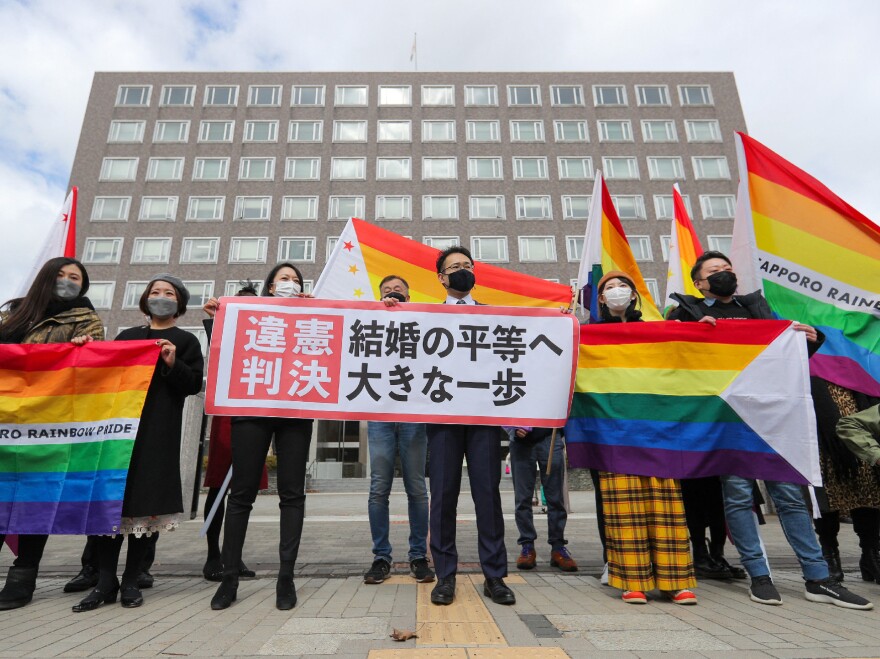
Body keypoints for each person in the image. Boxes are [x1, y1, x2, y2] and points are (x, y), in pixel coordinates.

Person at [669, 251, 872, 609]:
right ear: (699, 283)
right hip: (727, 420)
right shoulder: (686, 313)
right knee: (737, 496)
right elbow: (673, 359)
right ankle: (759, 576)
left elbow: (785, 362)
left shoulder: (758, 311)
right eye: (715, 271)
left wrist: (810, 341)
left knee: (791, 496)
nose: (724, 274)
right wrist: (690, 331)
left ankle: (817, 577)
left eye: (728, 269)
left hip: (774, 416)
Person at [72, 274, 203, 612]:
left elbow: (191, 385)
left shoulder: (185, 340)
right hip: (117, 431)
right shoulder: (126, 337)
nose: (161, 297)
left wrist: (172, 363)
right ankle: (104, 581)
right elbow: (100, 373)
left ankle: (131, 578)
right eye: (155, 292)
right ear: (145, 299)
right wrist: (85, 349)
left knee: (144, 508)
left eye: (169, 293)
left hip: (157, 432)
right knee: (110, 506)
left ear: (179, 302)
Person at [0, 257, 105, 610]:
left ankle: (22, 578)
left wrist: (84, 350)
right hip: (5, 422)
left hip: (49, 426)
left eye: (75, 277)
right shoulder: (13, 312)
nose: (67, 281)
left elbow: (94, 373)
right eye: (61, 274)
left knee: (34, 502)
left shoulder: (86, 320)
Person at [209, 263, 314, 611]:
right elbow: (226, 354)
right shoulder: (252, 315)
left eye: (296, 281)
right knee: (241, 495)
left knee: (292, 494)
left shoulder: (311, 318)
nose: (290, 284)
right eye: (284, 279)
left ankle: (286, 576)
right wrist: (215, 319)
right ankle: (229, 578)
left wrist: (317, 309)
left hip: (295, 412)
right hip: (251, 409)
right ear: (270, 287)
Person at [593, 271, 697, 605]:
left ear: (635, 295)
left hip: (657, 429)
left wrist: (704, 328)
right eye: (609, 288)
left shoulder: (657, 331)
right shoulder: (591, 334)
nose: (617, 291)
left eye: (622, 287)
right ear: (600, 300)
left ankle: (675, 581)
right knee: (624, 508)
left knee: (665, 503)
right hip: (614, 432)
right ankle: (630, 579)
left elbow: (686, 355)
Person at [424, 246, 514, 606]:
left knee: (487, 497)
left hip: (483, 419)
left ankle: (495, 576)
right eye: (454, 267)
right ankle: (445, 575)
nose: (462, 270)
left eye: (467, 265)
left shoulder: (494, 317)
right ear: (441, 278)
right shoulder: (425, 316)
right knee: (443, 496)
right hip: (443, 419)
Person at [362, 275, 434, 585]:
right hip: (378, 414)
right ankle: (381, 557)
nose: (393, 294)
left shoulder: (421, 322)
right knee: (379, 487)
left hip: (413, 415)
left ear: (409, 295)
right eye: (388, 291)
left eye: (399, 291)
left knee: (416, 487)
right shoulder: (368, 323)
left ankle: (418, 555)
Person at [200, 280, 263, 582]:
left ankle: (232, 555)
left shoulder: (269, 332)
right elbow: (216, 349)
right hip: (228, 409)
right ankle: (214, 555)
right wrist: (215, 317)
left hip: (256, 410)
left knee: (243, 489)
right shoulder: (223, 329)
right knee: (219, 487)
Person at [810, 379, 880, 583]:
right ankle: (830, 557)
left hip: (862, 434)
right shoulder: (808, 358)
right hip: (823, 439)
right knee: (828, 498)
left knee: (868, 494)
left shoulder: (850, 356)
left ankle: (871, 556)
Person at [506, 426, 578, 573]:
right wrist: (512, 429)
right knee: (522, 499)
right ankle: (527, 546)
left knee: (555, 498)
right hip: (520, 440)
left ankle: (558, 547)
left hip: (550, 436)